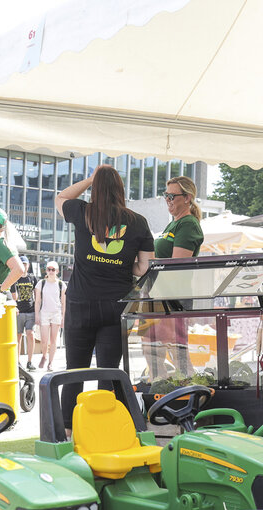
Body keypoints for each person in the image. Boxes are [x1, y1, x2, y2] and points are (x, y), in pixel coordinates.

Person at [56, 165, 154, 434]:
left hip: (80, 303)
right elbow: (145, 268)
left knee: (74, 370)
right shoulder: (138, 222)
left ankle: (68, 433)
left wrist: (90, 179)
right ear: (121, 189)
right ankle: (103, 430)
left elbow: (61, 197)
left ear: (95, 189)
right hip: (116, 306)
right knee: (108, 371)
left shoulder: (82, 212)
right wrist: (122, 265)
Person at [145, 176, 204, 379]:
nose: (168, 200)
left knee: (175, 352)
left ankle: (188, 389)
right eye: (166, 195)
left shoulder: (188, 224)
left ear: (187, 198)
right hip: (158, 295)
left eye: (172, 196)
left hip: (172, 297)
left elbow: (176, 265)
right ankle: (162, 388)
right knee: (153, 351)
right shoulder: (174, 224)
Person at [35, 261, 66, 371]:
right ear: (46, 271)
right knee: (44, 341)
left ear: (57, 271)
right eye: (49, 269)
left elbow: (64, 303)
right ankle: (44, 356)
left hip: (56, 313)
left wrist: (63, 318)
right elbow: (37, 301)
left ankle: (50, 363)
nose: (51, 271)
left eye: (53, 269)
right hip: (44, 313)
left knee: (53, 341)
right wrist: (37, 315)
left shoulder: (61, 285)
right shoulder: (41, 283)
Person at [11, 255, 38, 370]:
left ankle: (30, 361)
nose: (23, 266)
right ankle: (17, 362)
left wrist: (38, 310)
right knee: (18, 336)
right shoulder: (14, 278)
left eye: (25, 264)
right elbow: (12, 295)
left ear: (28, 265)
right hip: (18, 312)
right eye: (21, 264)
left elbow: (37, 295)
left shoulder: (32, 278)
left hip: (30, 311)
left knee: (30, 334)